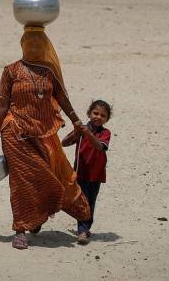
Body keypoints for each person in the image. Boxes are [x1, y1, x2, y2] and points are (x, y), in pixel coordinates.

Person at [0, 26, 91, 250]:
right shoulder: (11, 71)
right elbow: (3, 104)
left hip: (45, 133)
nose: (33, 46)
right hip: (15, 132)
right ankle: (20, 229)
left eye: (38, 43)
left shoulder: (49, 71)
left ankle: (44, 217)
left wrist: (75, 120)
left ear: (44, 46)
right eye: (29, 42)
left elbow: (61, 96)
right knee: (22, 181)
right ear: (22, 44)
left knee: (55, 175)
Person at [61, 100, 112, 245]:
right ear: (89, 113)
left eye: (103, 115)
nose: (98, 117)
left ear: (106, 119)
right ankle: (83, 229)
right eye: (95, 113)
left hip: (96, 174)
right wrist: (77, 132)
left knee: (90, 201)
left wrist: (87, 133)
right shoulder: (81, 130)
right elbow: (64, 143)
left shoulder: (105, 133)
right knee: (81, 201)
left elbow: (99, 147)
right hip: (80, 171)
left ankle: (84, 229)